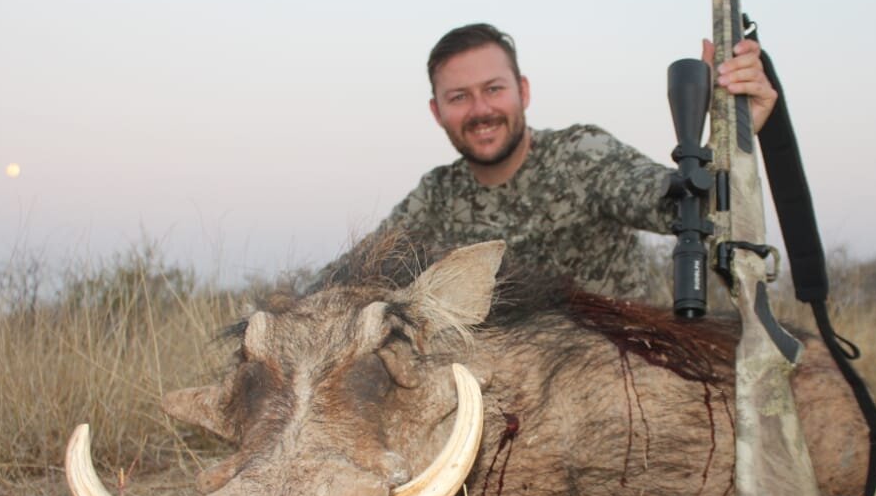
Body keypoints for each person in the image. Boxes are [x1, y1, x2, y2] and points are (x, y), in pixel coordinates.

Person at [312, 23, 778, 298]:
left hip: (626, 383)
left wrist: (733, 137)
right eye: (459, 97)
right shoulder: (435, 197)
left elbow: (678, 201)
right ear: (437, 112)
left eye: (494, 89)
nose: (480, 111)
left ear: (524, 92)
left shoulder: (581, 155)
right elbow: (349, 277)